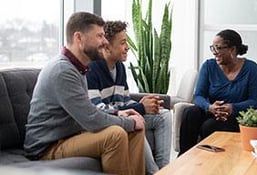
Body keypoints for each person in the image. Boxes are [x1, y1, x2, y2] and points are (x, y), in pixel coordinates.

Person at [24, 12, 145, 175]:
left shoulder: (78, 68)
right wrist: (128, 122)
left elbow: (87, 109)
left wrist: (118, 113)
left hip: (69, 135)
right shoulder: (63, 71)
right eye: (100, 36)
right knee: (115, 135)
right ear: (79, 38)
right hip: (47, 147)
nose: (104, 41)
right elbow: (91, 119)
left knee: (135, 129)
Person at [86, 20, 172, 173]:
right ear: (107, 46)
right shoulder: (91, 69)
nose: (127, 48)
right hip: (107, 122)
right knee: (135, 121)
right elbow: (98, 109)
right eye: (123, 43)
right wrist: (140, 107)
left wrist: (147, 104)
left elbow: (124, 100)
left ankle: (165, 169)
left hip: (122, 116)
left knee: (164, 115)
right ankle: (154, 172)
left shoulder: (120, 67)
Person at [178, 29, 257, 156]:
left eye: (218, 48)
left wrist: (232, 108)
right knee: (190, 112)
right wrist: (210, 107)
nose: (214, 53)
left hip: (235, 116)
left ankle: (211, 161)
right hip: (211, 111)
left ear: (232, 50)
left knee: (210, 126)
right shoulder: (208, 66)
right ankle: (184, 157)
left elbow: (255, 101)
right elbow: (198, 96)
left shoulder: (251, 68)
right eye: (213, 48)